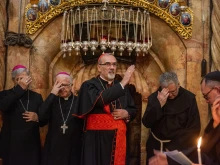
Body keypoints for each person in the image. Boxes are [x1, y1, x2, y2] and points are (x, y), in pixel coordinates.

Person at [73, 53, 137, 165]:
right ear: (99, 67)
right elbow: (98, 100)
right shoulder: (89, 85)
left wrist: (127, 113)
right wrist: (123, 83)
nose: (112, 67)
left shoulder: (123, 88)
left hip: (118, 137)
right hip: (95, 139)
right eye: (107, 64)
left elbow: (133, 109)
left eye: (114, 64)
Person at [148, 71, 220, 165]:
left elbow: (194, 130)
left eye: (206, 96)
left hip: (180, 146)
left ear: (217, 90)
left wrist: (172, 151)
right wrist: (215, 124)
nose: (206, 101)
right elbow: (206, 150)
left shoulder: (189, 98)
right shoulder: (154, 97)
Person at [142, 71, 201, 165]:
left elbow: (194, 128)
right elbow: (146, 123)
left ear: (178, 84)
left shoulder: (189, 99)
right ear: (161, 87)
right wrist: (158, 105)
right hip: (156, 146)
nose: (170, 95)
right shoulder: (154, 97)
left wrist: (172, 147)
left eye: (173, 91)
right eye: (166, 92)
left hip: (179, 148)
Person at [0, 65, 43, 165]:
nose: (22, 81)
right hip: (11, 144)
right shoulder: (5, 94)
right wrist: (20, 89)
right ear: (14, 80)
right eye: (18, 79)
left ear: (29, 78)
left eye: (24, 78)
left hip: (31, 145)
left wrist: (37, 117)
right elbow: (3, 106)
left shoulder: (37, 97)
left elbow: (44, 118)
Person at [39, 72, 84, 165]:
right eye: (59, 85)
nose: (62, 88)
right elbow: (40, 119)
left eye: (65, 85)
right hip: (53, 147)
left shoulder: (79, 102)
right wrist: (52, 94)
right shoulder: (52, 101)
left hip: (73, 147)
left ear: (71, 85)